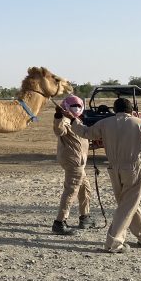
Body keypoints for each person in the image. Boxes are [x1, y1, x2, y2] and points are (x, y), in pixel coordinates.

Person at [70, 97, 141, 253]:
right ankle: (113, 242)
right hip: (133, 168)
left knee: (128, 204)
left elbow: (86, 132)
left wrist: (73, 120)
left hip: (113, 169)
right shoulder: (140, 124)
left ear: (115, 110)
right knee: (128, 205)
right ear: (131, 110)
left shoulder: (105, 123)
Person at [51, 95, 94, 235]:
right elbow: (59, 130)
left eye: (77, 106)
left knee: (85, 189)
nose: (76, 108)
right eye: (73, 106)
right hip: (73, 162)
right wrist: (58, 116)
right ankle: (59, 222)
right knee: (71, 191)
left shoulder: (76, 121)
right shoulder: (64, 121)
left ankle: (85, 217)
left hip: (79, 162)